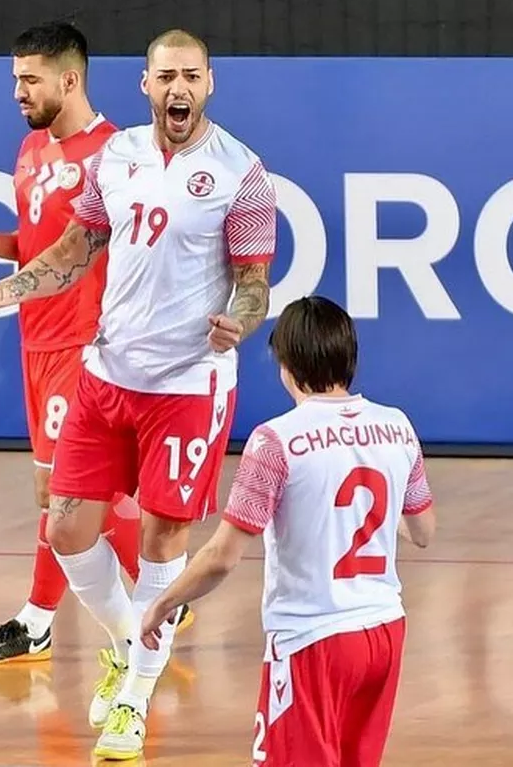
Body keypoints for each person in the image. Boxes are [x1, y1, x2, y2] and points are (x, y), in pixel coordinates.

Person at [0, 27, 278, 760]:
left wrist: (242, 321)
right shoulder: (118, 158)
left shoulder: (243, 174)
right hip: (108, 372)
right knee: (67, 526)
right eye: (166, 77)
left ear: (210, 83)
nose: (178, 90)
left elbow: (255, 281)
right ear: (145, 85)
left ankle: (131, 701)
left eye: (191, 77)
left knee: (164, 539)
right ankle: (132, 647)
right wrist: (2, 290)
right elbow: (73, 253)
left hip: (188, 384)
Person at [0, 21, 192, 667]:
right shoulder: (31, 151)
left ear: (70, 78)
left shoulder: (116, 153)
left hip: (87, 346)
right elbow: (44, 244)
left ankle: (40, 620)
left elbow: (98, 248)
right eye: (15, 80)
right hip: (37, 342)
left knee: (72, 493)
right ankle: (165, 593)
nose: (18, 92)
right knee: (71, 493)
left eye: (29, 80)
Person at [139, 295, 436, 767]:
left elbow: (222, 556)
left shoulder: (275, 441)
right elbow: (422, 529)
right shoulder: (397, 427)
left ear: (288, 365)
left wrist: (162, 602)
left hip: (313, 639)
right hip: (385, 632)